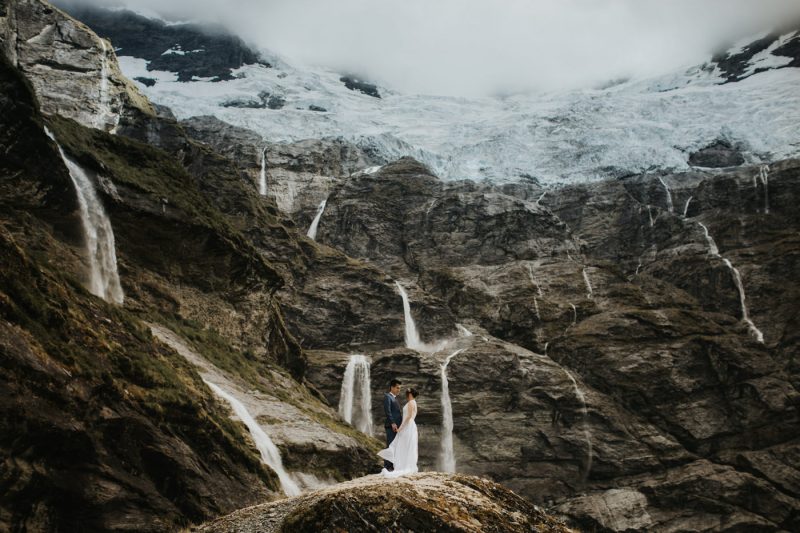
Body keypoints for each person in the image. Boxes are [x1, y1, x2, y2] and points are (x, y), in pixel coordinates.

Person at [378, 388, 419, 478]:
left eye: (406, 393)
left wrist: (400, 428)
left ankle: (401, 465)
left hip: (408, 425)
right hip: (410, 425)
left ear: (409, 394)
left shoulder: (411, 402)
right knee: (404, 445)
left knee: (403, 445)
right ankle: (401, 464)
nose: (405, 395)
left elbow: (408, 417)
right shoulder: (413, 402)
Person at [382, 379, 403, 470]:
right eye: (397, 388)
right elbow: (388, 411)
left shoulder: (394, 398)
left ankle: (391, 465)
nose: (399, 390)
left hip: (396, 426)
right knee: (390, 445)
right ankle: (387, 466)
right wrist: (393, 423)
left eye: (400, 388)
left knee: (394, 445)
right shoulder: (387, 396)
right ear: (392, 387)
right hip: (391, 426)